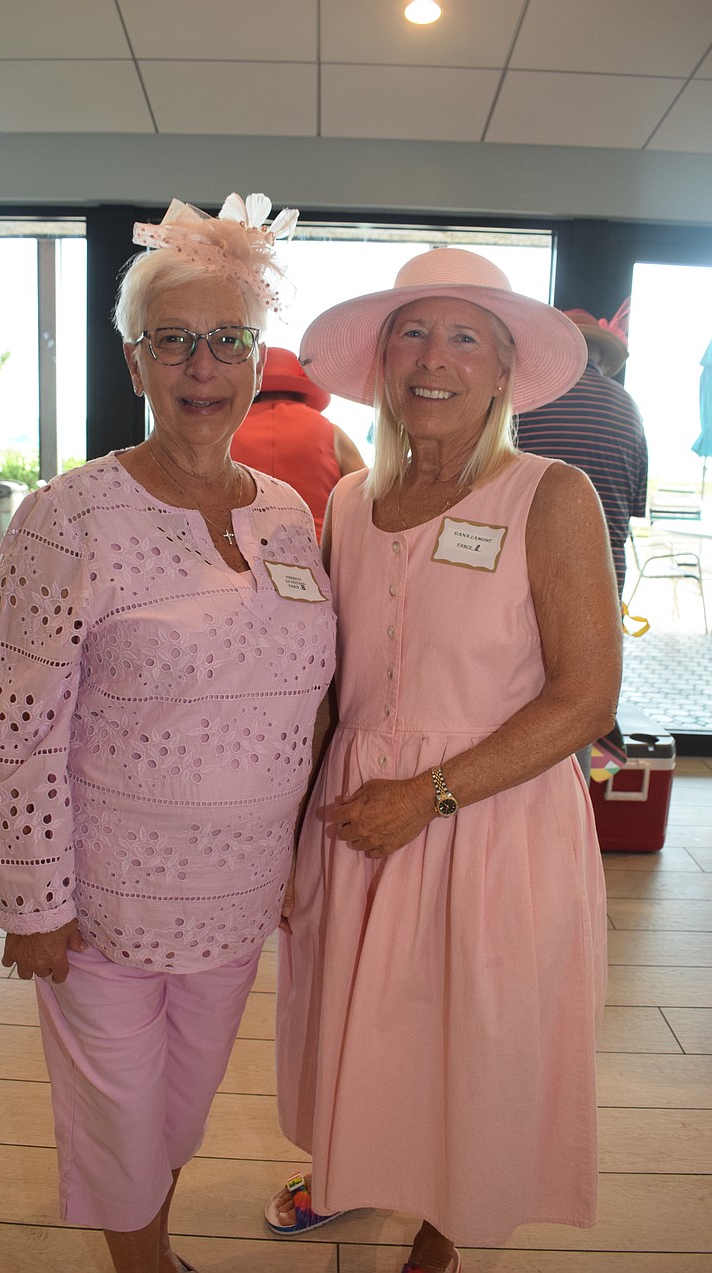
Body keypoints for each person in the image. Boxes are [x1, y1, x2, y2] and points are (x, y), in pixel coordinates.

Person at [0, 192, 336, 1273]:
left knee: (182, 1106)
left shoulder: (285, 512)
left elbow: (302, 694)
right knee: (121, 1114)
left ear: (256, 358)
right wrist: (34, 901)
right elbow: (16, 728)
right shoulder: (68, 515)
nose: (201, 366)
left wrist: (291, 852)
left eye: (226, 340)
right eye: (173, 341)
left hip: (237, 892)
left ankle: (154, 1239)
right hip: (103, 900)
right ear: (134, 364)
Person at [267, 249, 622, 1273]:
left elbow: (585, 697)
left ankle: (442, 1231)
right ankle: (361, 1165)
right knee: (368, 1020)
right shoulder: (344, 505)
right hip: (358, 813)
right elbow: (338, 681)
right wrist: (294, 831)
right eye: (413, 334)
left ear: (504, 369)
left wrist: (428, 794)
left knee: (474, 1031)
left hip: (488, 815)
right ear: (380, 363)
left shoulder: (549, 496)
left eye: (465, 336)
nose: (434, 358)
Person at [516, 303, 648, 597]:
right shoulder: (630, 409)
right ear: (599, 355)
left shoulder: (526, 400)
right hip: (606, 576)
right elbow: (635, 506)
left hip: (528, 569)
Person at [230, 346, 365, 539]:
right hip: (317, 557)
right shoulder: (331, 432)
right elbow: (367, 498)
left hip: (240, 555)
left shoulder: (229, 433)